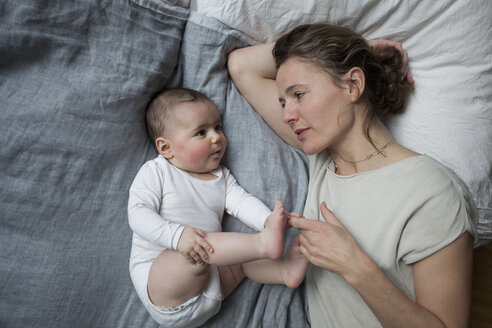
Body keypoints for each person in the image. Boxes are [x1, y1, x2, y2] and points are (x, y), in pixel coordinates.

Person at [228, 23, 477, 327]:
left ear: (352, 86)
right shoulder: (323, 158)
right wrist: (365, 52)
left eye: (300, 94)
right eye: (283, 102)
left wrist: (355, 267)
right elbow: (241, 66)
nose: (287, 115)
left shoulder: (433, 192)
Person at [127, 88, 308, 328]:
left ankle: (284, 272)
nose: (216, 138)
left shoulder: (220, 176)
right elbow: (138, 214)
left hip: (215, 287)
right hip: (163, 282)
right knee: (196, 252)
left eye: (218, 127)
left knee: (241, 260)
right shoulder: (156, 172)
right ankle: (263, 244)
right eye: (201, 132)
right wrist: (177, 236)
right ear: (166, 148)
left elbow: (241, 202)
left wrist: (268, 220)